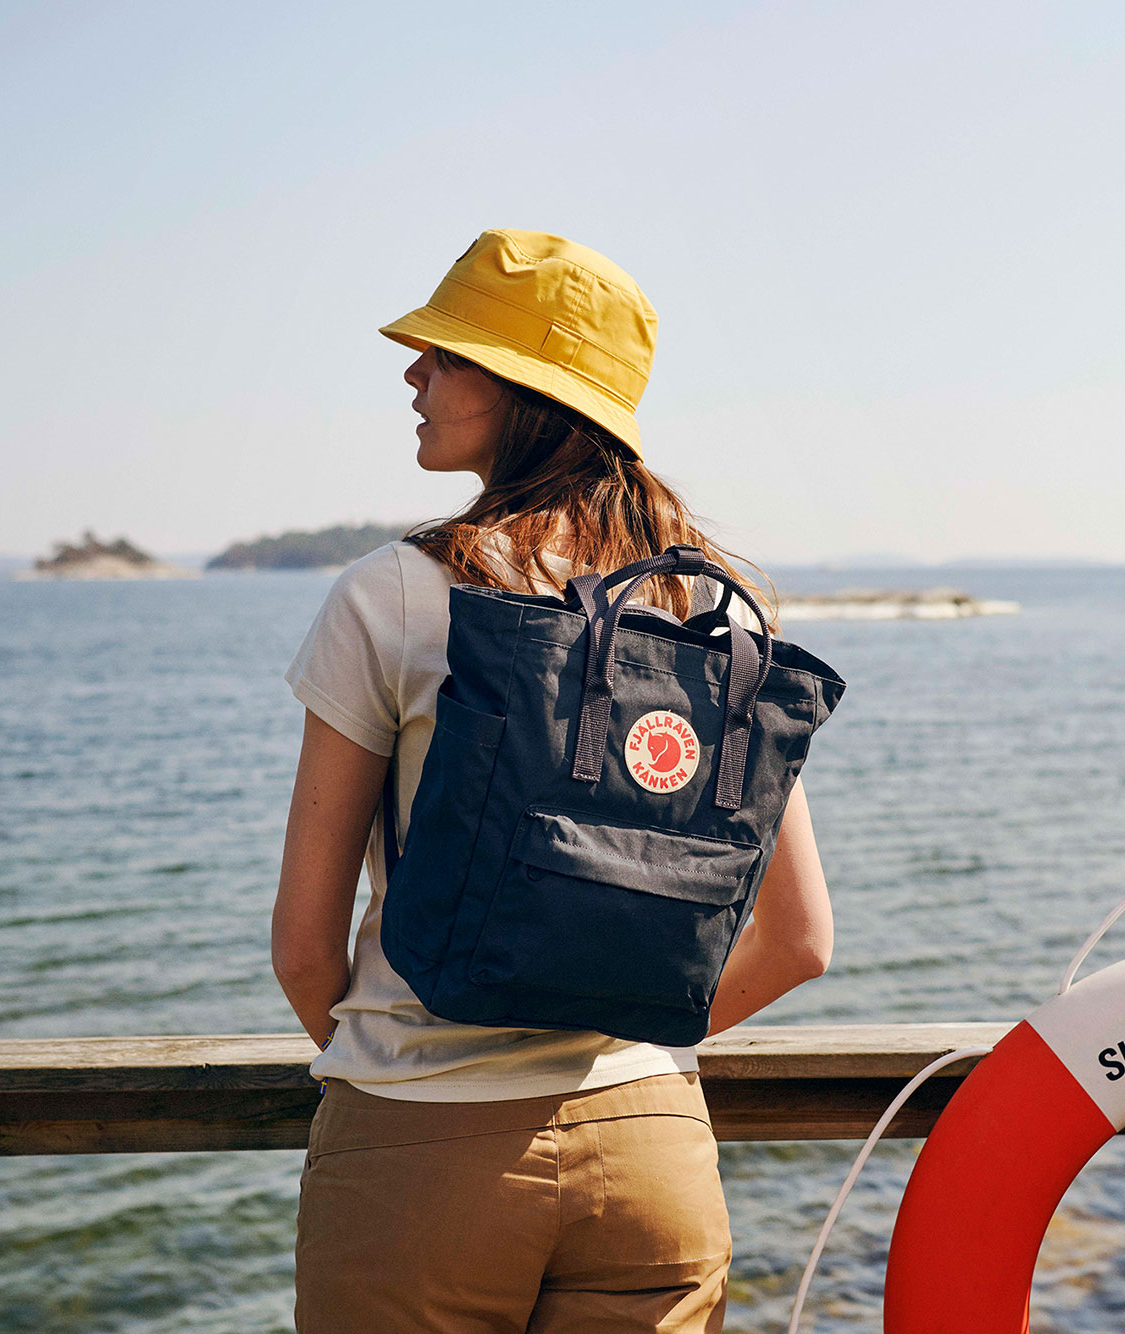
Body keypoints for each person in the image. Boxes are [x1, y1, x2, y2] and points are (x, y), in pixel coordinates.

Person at [272, 229, 835, 1334]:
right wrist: (624, 1040)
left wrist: (398, 1069)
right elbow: (800, 941)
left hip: (421, 1151)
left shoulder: (394, 593)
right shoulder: (700, 607)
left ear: (528, 390)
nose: (413, 373)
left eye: (447, 353)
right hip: (653, 1153)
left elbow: (302, 947)